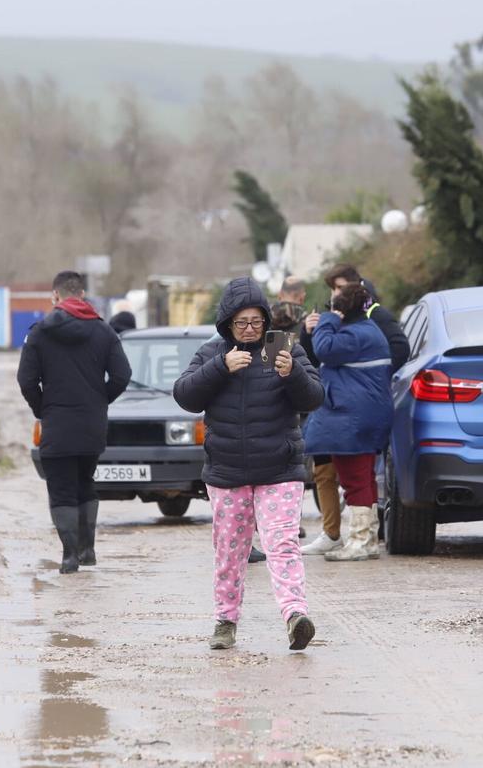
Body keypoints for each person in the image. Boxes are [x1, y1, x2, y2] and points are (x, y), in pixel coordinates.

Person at [173, 277, 324, 651]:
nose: (250, 329)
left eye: (257, 322)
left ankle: (295, 616)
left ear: (267, 320)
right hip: (228, 472)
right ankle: (225, 621)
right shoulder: (212, 353)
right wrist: (222, 367)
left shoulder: (282, 349)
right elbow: (184, 396)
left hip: (280, 469)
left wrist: (293, 374)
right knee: (229, 551)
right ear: (227, 323)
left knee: (283, 544)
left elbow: (314, 399)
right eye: (242, 323)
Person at [18, 271, 132, 574]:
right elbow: (122, 375)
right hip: (91, 426)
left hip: (56, 424)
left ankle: (69, 556)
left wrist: (43, 408)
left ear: (55, 296)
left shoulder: (39, 332)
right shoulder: (104, 331)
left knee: (61, 490)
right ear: (81, 295)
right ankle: (88, 549)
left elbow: (26, 380)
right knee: (86, 483)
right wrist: (98, 402)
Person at [300, 263, 409, 555]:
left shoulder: (354, 333)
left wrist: (327, 320)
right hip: (361, 414)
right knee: (362, 478)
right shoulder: (367, 330)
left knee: (355, 478)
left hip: (352, 417)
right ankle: (368, 540)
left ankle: (360, 542)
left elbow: (323, 348)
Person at [271, 274, 314, 542]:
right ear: (302, 295)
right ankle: (289, 521)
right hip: (299, 400)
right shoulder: (309, 321)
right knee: (294, 464)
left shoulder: (260, 320)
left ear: (280, 293)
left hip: (268, 397)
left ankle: (263, 522)